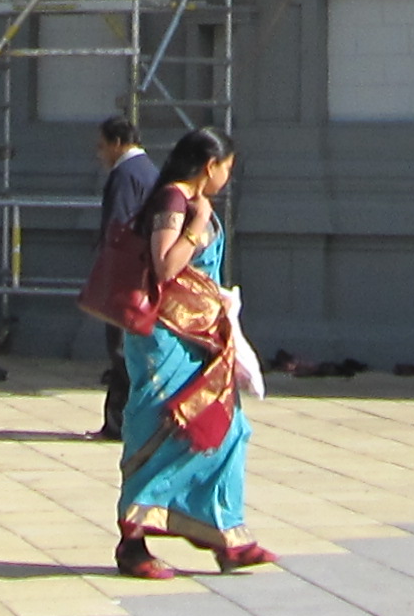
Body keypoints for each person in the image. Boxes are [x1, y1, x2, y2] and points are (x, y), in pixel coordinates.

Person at [112, 128, 276, 577]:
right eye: (226, 169)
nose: (227, 178)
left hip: (202, 338)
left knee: (228, 429)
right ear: (210, 166)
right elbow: (165, 264)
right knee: (162, 430)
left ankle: (227, 534)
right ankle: (133, 542)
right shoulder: (173, 202)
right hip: (165, 340)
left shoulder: (191, 203)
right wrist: (198, 223)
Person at [90, 116, 159, 442]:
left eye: (102, 146)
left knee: (119, 350)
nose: (100, 154)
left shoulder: (124, 175)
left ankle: (119, 422)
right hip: (145, 273)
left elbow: (116, 228)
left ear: (118, 143)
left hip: (125, 275)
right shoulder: (150, 171)